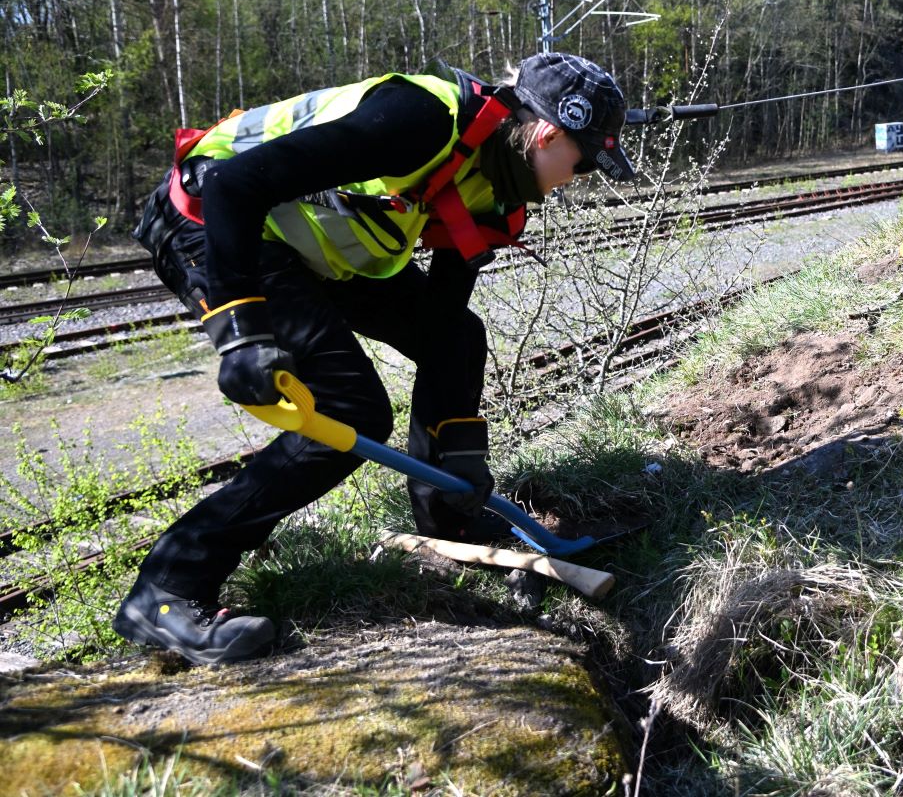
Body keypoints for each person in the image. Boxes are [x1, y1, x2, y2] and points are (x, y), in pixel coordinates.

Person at [112, 53, 635, 665]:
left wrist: (459, 457)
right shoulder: (421, 120)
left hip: (296, 240)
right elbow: (235, 185)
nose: (574, 179)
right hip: (217, 221)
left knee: (459, 337)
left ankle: (448, 519)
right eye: (579, 163)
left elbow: (442, 321)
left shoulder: (497, 185)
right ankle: (168, 588)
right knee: (350, 410)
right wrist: (240, 331)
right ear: (547, 133)